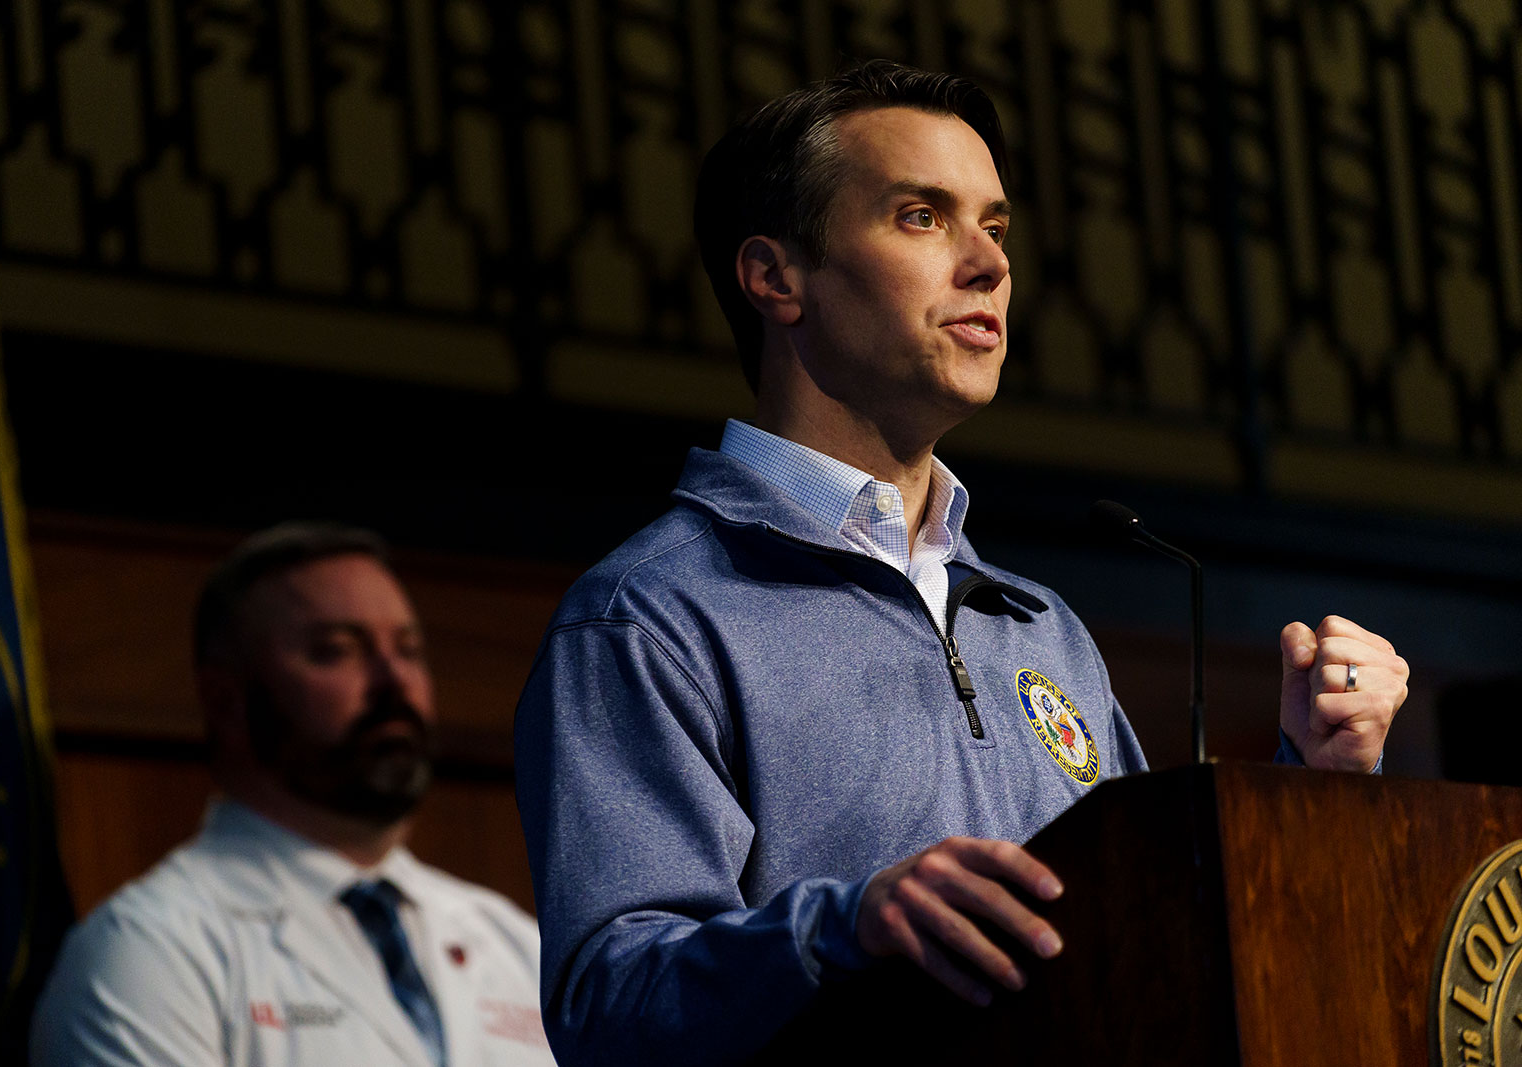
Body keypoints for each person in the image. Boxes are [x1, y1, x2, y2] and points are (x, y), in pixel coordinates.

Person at [512, 59, 1409, 1065]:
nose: (988, 264)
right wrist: (843, 927)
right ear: (774, 277)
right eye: (921, 217)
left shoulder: (1035, 623)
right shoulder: (653, 614)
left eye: (996, 224)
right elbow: (609, 1003)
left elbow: (1159, 945)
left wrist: (1316, 781)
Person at [33, 523, 554, 1066]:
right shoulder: (149, 951)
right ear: (228, 702)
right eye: (336, 651)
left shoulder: (517, 945)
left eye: (409, 649)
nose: (394, 681)